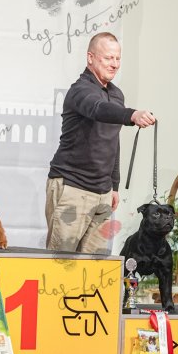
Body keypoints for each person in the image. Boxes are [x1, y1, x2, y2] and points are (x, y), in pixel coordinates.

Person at [46, 32, 156, 254]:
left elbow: (112, 141)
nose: (114, 64)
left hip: (103, 193)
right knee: (60, 264)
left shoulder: (117, 95)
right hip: (72, 187)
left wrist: (114, 185)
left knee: (93, 267)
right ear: (90, 58)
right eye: (108, 58)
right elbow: (97, 109)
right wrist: (131, 115)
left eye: (117, 58)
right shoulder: (80, 90)